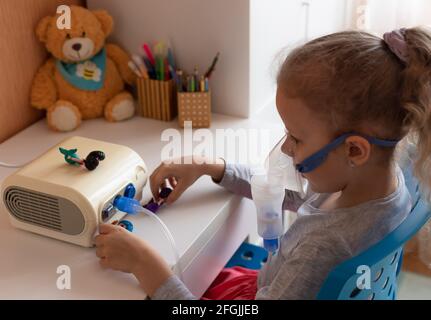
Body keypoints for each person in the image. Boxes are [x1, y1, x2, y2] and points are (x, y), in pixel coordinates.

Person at [95, 27, 431, 299]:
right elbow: (294, 196)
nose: (286, 148)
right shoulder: (388, 178)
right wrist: (211, 168)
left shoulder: (322, 250)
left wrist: (145, 264)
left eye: (296, 138)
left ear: (355, 151)